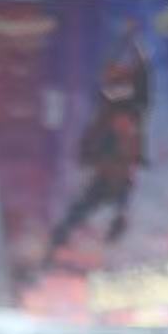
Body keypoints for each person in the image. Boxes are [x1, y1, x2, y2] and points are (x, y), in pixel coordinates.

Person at [46, 20, 151, 264]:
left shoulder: (133, 109)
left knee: (115, 207)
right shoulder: (108, 111)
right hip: (106, 175)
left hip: (118, 175)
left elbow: (143, 71)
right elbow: (114, 67)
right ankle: (54, 248)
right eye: (113, 86)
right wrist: (127, 39)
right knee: (82, 210)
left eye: (121, 86)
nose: (116, 90)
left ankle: (107, 245)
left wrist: (132, 40)